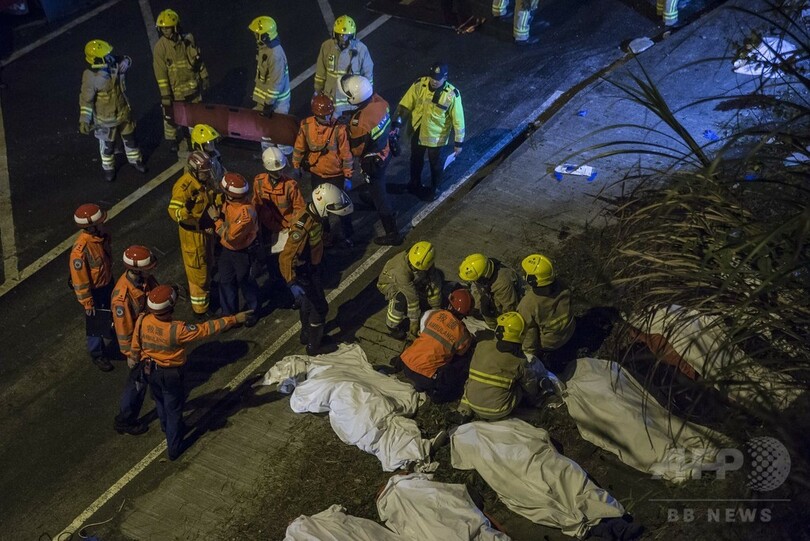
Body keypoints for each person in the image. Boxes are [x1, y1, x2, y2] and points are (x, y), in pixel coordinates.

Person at [129, 285, 251, 460]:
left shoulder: (143, 320)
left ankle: (167, 428)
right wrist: (233, 319)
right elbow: (206, 329)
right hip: (171, 374)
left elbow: (136, 343)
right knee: (173, 409)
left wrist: (134, 357)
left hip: (150, 370)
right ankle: (174, 447)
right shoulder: (177, 329)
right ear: (170, 307)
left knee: (160, 402)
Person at [279, 183, 353, 355]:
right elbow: (286, 256)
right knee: (320, 308)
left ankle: (306, 335)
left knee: (307, 303)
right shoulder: (303, 225)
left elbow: (316, 240)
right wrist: (291, 282)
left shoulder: (314, 217)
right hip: (305, 272)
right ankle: (314, 346)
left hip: (312, 266)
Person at [338, 74, 402, 246]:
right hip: (386, 151)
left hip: (373, 162)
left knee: (379, 195)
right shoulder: (380, 102)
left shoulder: (359, 123)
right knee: (377, 191)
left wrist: (346, 129)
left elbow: (357, 149)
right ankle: (377, 203)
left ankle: (392, 233)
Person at [391, 62, 465, 201]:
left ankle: (435, 188)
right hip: (417, 130)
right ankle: (414, 183)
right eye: (432, 77)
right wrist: (396, 125)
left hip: (435, 137)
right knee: (415, 159)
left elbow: (458, 121)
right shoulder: (420, 85)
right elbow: (405, 105)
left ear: (445, 77)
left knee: (435, 163)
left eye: (437, 78)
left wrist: (458, 143)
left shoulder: (452, 95)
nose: (434, 81)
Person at [386, 289, 474, 403]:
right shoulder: (464, 335)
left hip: (405, 362)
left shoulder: (435, 314)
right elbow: (461, 353)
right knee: (462, 361)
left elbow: (423, 330)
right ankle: (437, 395)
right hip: (426, 376)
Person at [79, 40, 146, 182]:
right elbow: (86, 101)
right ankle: (108, 168)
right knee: (107, 147)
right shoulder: (90, 76)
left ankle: (135, 161)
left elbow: (126, 58)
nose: (109, 57)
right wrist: (84, 120)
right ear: (96, 59)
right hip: (106, 120)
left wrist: (127, 62)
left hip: (123, 113)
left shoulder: (113, 63)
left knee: (131, 140)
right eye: (105, 55)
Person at [291, 95, 355, 246]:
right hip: (317, 174)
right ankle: (324, 234)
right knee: (320, 209)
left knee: (342, 209)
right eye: (323, 115)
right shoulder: (306, 126)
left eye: (329, 113)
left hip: (336, 175)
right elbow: (299, 147)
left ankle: (348, 235)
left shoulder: (339, 129)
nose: (327, 117)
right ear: (316, 115)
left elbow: (346, 154)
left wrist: (347, 176)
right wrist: (296, 165)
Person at [167, 150, 222, 318]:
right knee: (198, 272)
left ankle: (206, 296)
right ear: (195, 171)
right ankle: (200, 310)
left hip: (206, 231)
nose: (208, 174)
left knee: (209, 263)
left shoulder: (205, 182)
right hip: (193, 236)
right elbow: (174, 213)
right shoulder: (184, 187)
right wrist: (187, 209)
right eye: (205, 171)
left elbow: (214, 197)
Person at [459, 312, 542, 421]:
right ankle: (525, 414)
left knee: (473, 379)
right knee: (519, 385)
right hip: (497, 411)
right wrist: (536, 393)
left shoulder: (481, 345)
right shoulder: (519, 361)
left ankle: (463, 410)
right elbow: (530, 386)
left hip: (471, 401)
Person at [112, 245, 158, 436]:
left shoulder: (144, 281)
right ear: (137, 270)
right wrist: (131, 354)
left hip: (149, 338)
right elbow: (124, 331)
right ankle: (125, 419)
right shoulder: (122, 298)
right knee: (136, 385)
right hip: (138, 348)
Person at [153, 9, 210, 152]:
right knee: (172, 117)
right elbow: (161, 73)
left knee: (194, 116)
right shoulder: (160, 48)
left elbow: (197, 60)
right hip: (175, 91)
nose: (166, 31)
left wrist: (204, 76)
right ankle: (172, 140)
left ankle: (194, 138)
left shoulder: (188, 40)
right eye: (163, 28)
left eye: (168, 28)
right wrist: (165, 95)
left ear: (176, 26)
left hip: (192, 87)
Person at [209, 172, 260, 326]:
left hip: (242, 252)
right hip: (228, 251)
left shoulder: (245, 214)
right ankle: (228, 316)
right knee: (225, 281)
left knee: (245, 282)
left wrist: (216, 220)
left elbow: (230, 235)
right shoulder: (230, 203)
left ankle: (252, 312)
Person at [69, 203, 114, 371]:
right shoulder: (80, 251)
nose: (104, 223)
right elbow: (80, 281)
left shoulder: (101, 236)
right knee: (96, 322)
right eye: (100, 222)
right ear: (92, 227)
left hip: (107, 281)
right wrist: (88, 303)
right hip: (95, 291)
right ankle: (97, 354)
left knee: (110, 313)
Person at [517, 254, 575, 368]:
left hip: (551, 345)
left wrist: (530, 355)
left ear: (532, 279)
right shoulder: (561, 285)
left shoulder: (528, 304)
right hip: (570, 332)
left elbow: (530, 335)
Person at [377, 241, 443, 340]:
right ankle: (392, 325)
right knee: (402, 297)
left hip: (411, 282)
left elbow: (434, 285)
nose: (414, 268)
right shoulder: (400, 270)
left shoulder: (425, 262)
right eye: (414, 267)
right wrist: (414, 322)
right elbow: (412, 298)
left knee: (430, 282)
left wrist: (436, 308)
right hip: (389, 284)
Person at [314, 15, 373, 115]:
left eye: (346, 35)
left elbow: (368, 77)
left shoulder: (361, 50)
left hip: (351, 104)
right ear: (335, 34)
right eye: (340, 34)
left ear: (352, 35)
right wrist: (318, 91)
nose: (343, 37)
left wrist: (366, 97)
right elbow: (320, 72)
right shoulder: (327, 46)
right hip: (330, 101)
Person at [458, 253, 521, 329]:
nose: (473, 282)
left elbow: (510, 310)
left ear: (483, 277)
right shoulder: (485, 271)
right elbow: (477, 289)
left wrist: (488, 315)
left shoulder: (502, 284)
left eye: (474, 280)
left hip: (509, 299)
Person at [248, 16, 290, 116]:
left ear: (264, 36)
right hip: (265, 101)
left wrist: (268, 105)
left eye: (256, 33)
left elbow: (276, 83)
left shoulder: (275, 55)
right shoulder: (264, 48)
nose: (254, 35)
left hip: (277, 106)